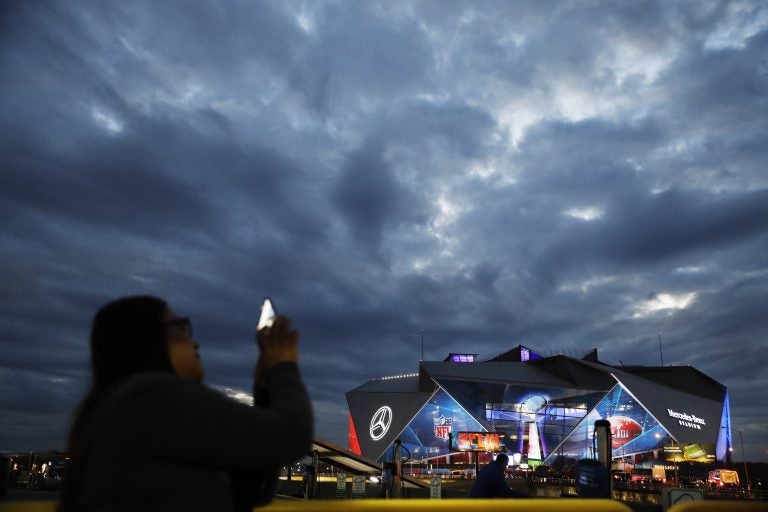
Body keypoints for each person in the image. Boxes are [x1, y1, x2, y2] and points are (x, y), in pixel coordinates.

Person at [58, 295, 313, 512]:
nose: (195, 341)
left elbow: (252, 488)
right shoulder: (153, 399)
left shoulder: (125, 408)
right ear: (149, 338)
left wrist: (264, 386)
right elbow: (292, 435)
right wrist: (283, 365)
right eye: (181, 326)